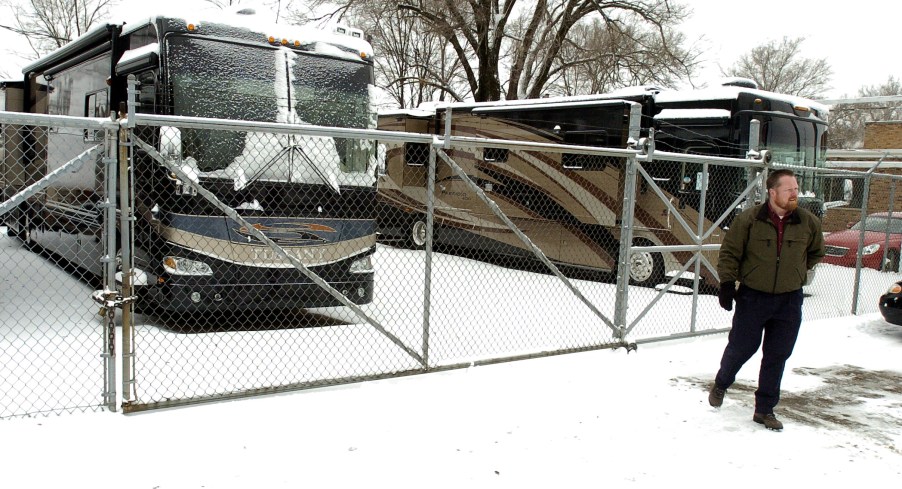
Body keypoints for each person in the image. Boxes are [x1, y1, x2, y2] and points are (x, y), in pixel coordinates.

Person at [708, 169, 825, 431]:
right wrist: (727, 284)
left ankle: (765, 409)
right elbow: (729, 253)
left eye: (796, 189)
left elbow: (817, 252)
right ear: (773, 193)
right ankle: (722, 382)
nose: (795, 194)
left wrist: (795, 272)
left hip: (789, 300)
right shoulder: (749, 220)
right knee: (742, 347)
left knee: (777, 354)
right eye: (789, 190)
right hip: (753, 297)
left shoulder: (808, 222)